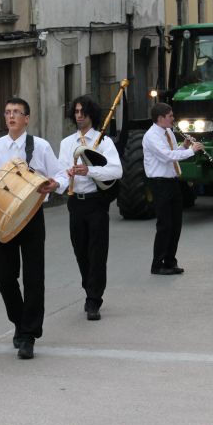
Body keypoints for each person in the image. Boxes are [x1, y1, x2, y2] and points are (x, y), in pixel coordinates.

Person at [0, 98, 64, 359]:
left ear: (27, 118)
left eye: (16, 113)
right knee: (3, 276)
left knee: (34, 277)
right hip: (2, 218)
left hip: (32, 216)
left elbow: (61, 174)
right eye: (8, 112)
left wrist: (54, 185)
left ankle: (28, 335)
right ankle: (19, 321)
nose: (11, 116)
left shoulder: (40, 146)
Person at [55, 96, 122, 321]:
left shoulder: (103, 142)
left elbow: (116, 171)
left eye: (83, 111)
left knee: (97, 253)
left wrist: (89, 171)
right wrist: (56, 185)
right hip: (76, 203)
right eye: (76, 111)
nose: (79, 115)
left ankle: (94, 299)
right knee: (80, 251)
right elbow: (62, 173)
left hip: (96, 203)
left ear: (91, 113)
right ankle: (89, 288)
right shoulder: (66, 143)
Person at [142, 102, 203, 275]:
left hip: (173, 181)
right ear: (161, 118)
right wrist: (191, 151)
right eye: (170, 116)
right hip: (159, 183)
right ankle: (157, 264)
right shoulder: (151, 136)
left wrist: (183, 146)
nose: (173, 119)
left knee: (176, 224)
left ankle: (170, 261)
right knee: (165, 225)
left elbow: (173, 150)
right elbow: (167, 156)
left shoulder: (167, 131)